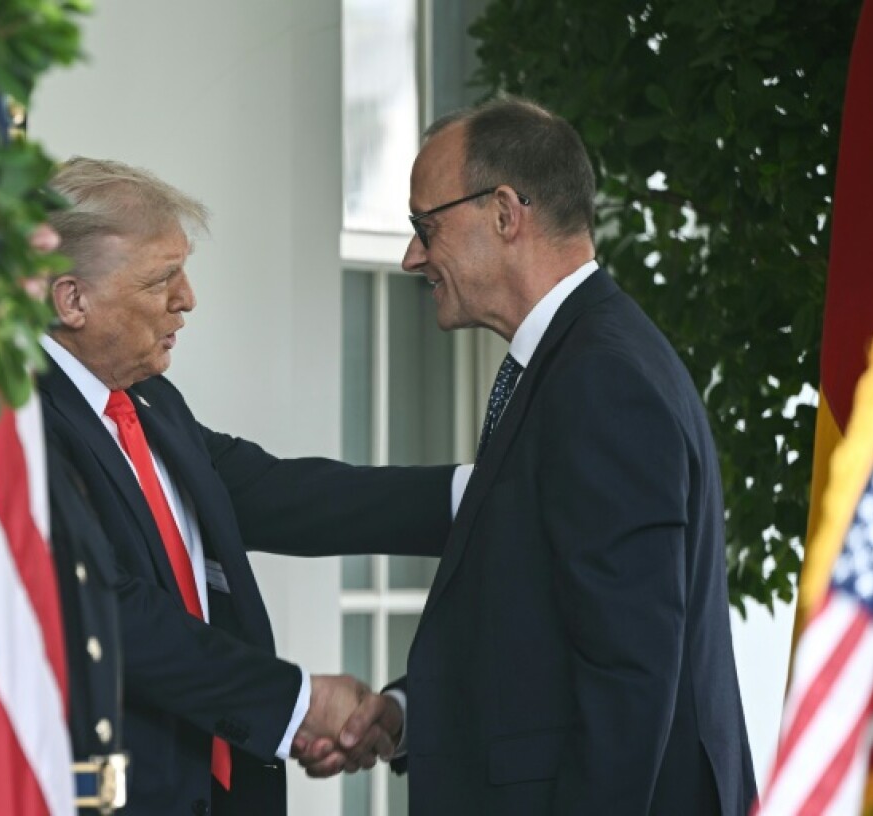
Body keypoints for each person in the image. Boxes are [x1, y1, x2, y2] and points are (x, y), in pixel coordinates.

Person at [306, 97, 758, 814]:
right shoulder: (583, 357)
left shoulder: (600, 378)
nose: (412, 257)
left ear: (504, 214)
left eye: (426, 226)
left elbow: (627, 679)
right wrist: (410, 711)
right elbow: (540, 632)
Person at [38, 157, 461, 815]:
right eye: (162, 278)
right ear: (72, 300)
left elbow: (278, 493)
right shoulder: (21, 427)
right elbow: (112, 612)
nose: (187, 298)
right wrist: (295, 705)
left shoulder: (150, 402)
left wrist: (477, 496)